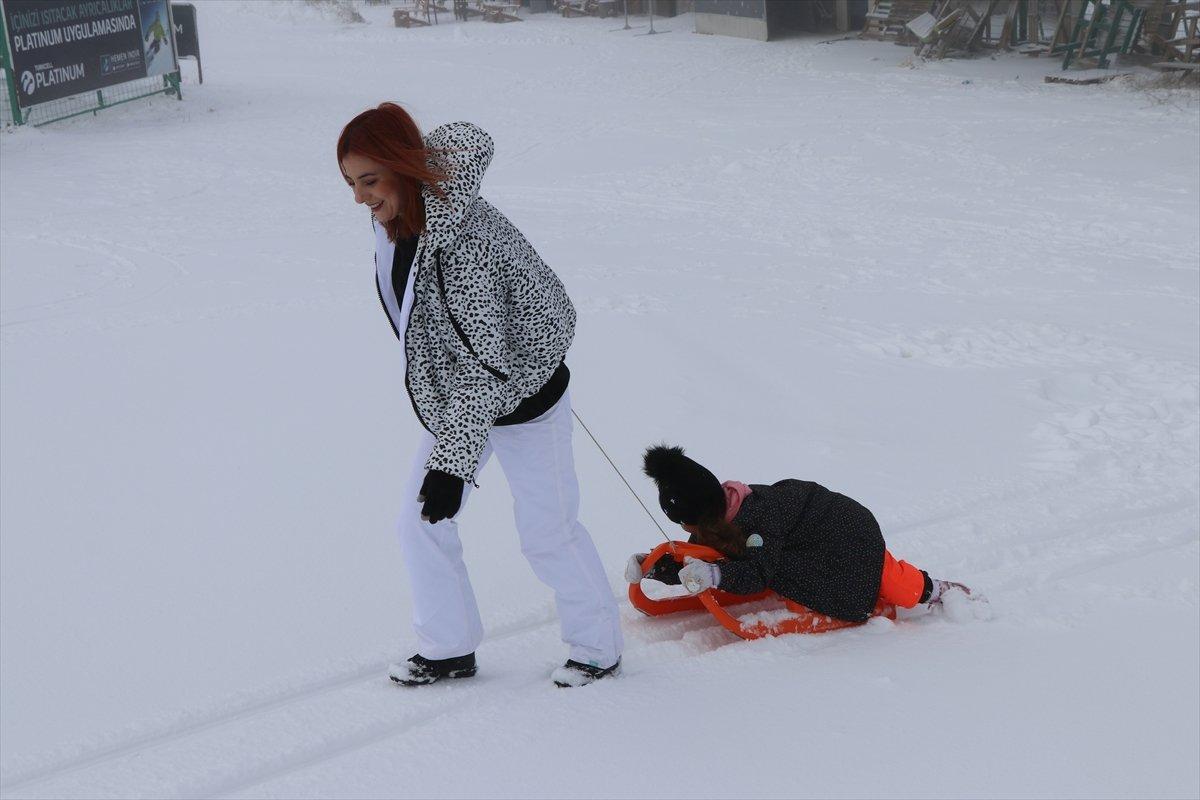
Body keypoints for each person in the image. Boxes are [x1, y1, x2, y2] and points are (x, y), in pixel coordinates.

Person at [337, 103, 622, 688]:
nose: (360, 198)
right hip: (462, 400)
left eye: (369, 180)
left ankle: (597, 647)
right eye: (350, 184)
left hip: (523, 397)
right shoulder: (400, 222)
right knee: (419, 522)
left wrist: (451, 464)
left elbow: (484, 363)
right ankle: (448, 647)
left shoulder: (461, 237)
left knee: (548, 532)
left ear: (402, 167)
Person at [627, 445, 982, 620]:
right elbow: (701, 557)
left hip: (846, 536)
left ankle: (935, 589)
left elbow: (756, 572)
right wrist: (657, 567)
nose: (688, 532)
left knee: (890, 584)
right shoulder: (716, 516)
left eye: (686, 525)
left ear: (703, 513)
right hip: (803, 542)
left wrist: (716, 574)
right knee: (787, 578)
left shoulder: (760, 517)